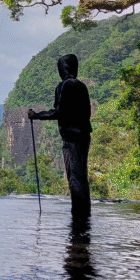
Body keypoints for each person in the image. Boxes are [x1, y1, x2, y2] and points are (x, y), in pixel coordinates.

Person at [28, 54, 92, 221]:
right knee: (82, 176)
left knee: (74, 177)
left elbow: (58, 112)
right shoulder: (82, 86)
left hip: (71, 138)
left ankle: (78, 217)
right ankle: (85, 213)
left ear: (63, 68)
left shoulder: (63, 86)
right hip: (84, 135)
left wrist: (36, 116)